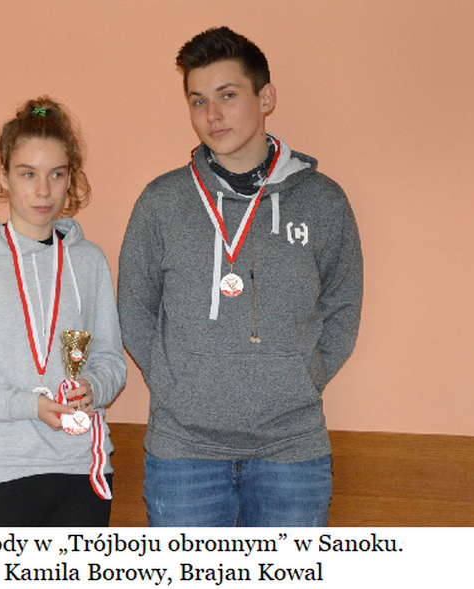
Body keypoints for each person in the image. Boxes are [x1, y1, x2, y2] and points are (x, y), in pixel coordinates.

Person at [117, 27, 363, 527]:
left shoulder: (323, 201)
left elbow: (343, 306)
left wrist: (303, 377)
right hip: (183, 452)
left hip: (291, 450)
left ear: (265, 98)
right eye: (198, 101)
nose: (212, 115)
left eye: (227, 96)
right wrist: (172, 385)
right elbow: (134, 305)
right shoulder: (161, 202)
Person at [0, 97, 126, 526]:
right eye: (28, 174)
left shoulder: (88, 261)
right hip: (2, 473)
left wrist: (93, 386)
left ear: (71, 177)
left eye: (57, 174)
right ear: (5, 176)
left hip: (83, 471)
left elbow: (111, 361)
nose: (43, 190)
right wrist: (30, 406)